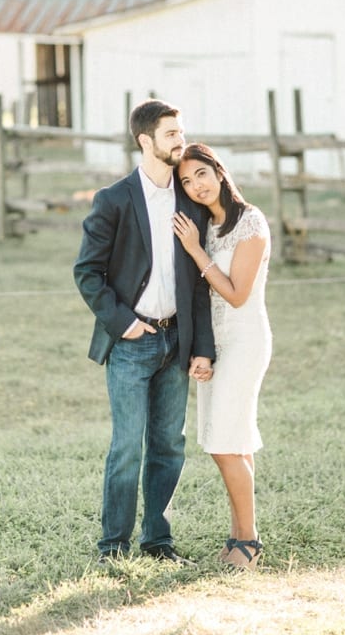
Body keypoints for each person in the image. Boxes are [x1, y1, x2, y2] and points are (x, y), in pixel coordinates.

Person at [74, 98, 215, 564]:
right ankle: (113, 547)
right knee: (127, 447)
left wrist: (201, 348)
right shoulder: (113, 200)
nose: (181, 141)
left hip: (178, 342)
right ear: (146, 140)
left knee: (169, 447)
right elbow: (87, 273)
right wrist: (125, 323)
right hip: (132, 343)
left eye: (181, 131)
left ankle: (159, 543)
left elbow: (197, 280)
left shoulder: (188, 201)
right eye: (172, 134)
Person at [171, 143, 272, 569]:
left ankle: (248, 543)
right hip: (218, 344)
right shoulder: (205, 226)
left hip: (246, 341)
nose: (196, 186)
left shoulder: (251, 222)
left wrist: (196, 252)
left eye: (201, 175)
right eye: (186, 182)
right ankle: (238, 537)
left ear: (218, 170)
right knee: (235, 441)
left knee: (223, 444)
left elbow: (235, 294)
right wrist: (203, 353)